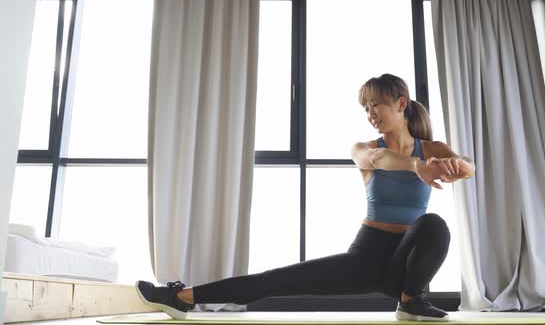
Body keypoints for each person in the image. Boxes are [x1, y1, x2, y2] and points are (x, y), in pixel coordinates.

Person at [135, 73, 476, 322]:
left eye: (378, 105)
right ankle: (181, 297)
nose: (371, 114)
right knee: (276, 280)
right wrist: (417, 167)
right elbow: (378, 160)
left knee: (434, 225)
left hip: (405, 263)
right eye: (367, 108)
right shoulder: (365, 149)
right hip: (366, 256)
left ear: (401, 104)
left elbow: (469, 167)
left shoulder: (433, 149)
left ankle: (409, 300)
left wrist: (456, 166)